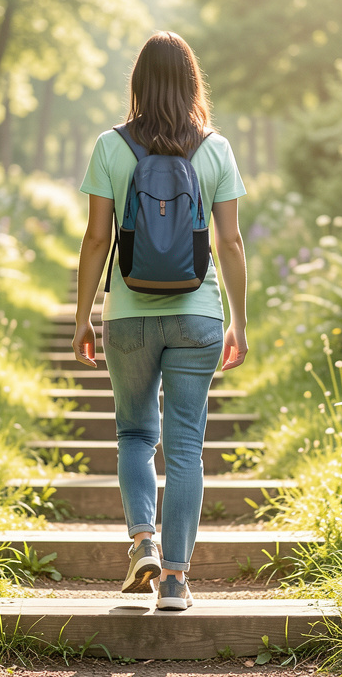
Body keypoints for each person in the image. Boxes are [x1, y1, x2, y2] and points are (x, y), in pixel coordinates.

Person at [72, 31, 249, 611]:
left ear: (138, 84)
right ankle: (175, 580)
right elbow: (231, 242)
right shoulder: (216, 149)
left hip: (128, 317)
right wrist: (238, 324)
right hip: (198, 315)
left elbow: (97, 238)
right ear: (192, 82)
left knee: (134, 434)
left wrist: (83, 318)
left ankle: (142, 541)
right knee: (185, 448)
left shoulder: (109, 146)